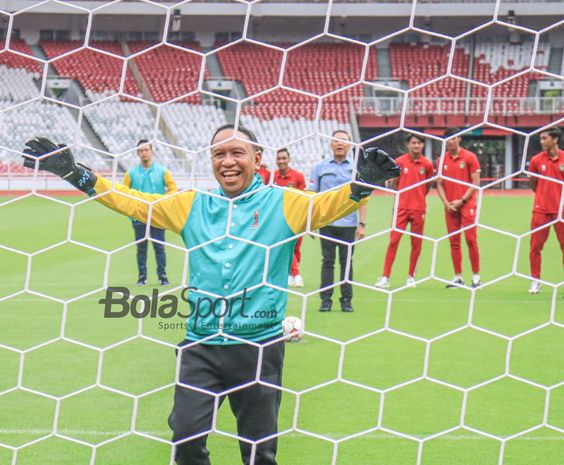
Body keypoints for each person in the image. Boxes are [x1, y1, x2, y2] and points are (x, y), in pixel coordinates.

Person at [21, 126, 399, 465]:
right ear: (211, 161)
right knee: (185, 439)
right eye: (220, 154)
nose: (229, 161)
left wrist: (362, 184)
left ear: (257, 159)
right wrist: (78, 174)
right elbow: (133, 202)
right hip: (201, 345)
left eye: (238, 153)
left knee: (259, 452)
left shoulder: (283, 203)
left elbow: (325, 206)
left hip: (259, 346)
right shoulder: (192, 205)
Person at [310, 130, 367, 313]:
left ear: (350, 145)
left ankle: (346, 300)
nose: (339, 144)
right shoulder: (320, 167)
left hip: (348, 224)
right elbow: (313, 196)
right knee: (327, 261)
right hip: (326, 223)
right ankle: (325, 300)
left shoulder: (357, 169)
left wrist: (362, 224)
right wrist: (311, 223)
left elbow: (363, 196)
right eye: (336, 141)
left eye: (343, 141)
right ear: (330, 144)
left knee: (346, 262)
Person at [376, 134, 434, 289]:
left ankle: (411, 277)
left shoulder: (427, 165)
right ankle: (385, 277)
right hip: (401, 208)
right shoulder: (400, 162)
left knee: (416, 244)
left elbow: (427, 186)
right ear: (408, 145)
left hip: (419, 209)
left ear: (422, 145)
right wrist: (405, 196)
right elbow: (395, 183)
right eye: (414, 143)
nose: (416, 146)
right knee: (393, 241)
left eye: (419, 143)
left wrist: (418, 197)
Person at [123, 139, 177, 286]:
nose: (144, 153)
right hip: (139, 216)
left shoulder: (162, 171)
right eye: (141, 150)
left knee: (159, 247)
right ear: (137, 153)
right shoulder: (131, 173)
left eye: (146, 150)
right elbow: (123, 192)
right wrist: (131, 210)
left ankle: (163, 276)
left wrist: (163, 201)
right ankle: (142, 277)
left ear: (152, 151)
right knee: (141, 248)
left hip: (157, 216)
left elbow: (173, 189)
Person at [436, 127, 481, 288]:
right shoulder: (442, 160)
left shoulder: (470, 157)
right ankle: (458, 277)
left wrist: (461, 200)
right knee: (454, 241)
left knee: (471, 239)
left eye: (454, 138)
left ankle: (476, 276)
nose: (451, 141)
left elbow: (475, 183)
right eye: (448, 138)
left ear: (459, 139)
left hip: (466, 204)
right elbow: (439, 184)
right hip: (450, 207)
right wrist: (446, 203)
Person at [526, 126, 564, 294]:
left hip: (561, 210)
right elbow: (533, 183)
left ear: (554, 140)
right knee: (535, 247)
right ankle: (535, 281)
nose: (541, 142)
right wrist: (543, 196)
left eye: (544, 138)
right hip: (541, 210)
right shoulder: (536, 160)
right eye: (540, 138)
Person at [273, 148, 307, 287]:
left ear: (289, 159)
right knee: (286, 246)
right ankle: (296, 274)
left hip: (297, 217)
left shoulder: (298, 176)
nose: (281, 161)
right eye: (279, 158)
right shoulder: (272, 177)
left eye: (284, 158)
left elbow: (305, 197)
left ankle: (289, 273)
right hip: (279, 219)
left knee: (296, 248)